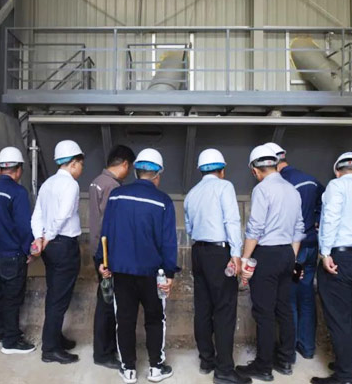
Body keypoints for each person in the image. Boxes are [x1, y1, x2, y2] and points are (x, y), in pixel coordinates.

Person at [96, 148, 179, 384]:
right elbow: (168, 241)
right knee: (155, 319)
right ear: (157, 175)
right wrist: (169, 272)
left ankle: (128, 369)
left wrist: (102, 261)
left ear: (136, 172)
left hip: (121, 271)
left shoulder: (117, 196)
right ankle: (156, 368)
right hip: (153, 273)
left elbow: (106, 232)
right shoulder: (163, 202)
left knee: (124, 320)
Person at [237, 144, 305, 382]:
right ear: (275, 164)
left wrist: (245, 259)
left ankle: (263, 366)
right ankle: (285, 360)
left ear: (255, 170)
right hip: (287, 253)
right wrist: (292, 258)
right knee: (284, 308)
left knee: (264, 312)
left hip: (266, 254)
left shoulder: (261, 189)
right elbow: (299, 228)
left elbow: (255, 228)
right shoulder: (292, 190)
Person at [311, 153, 352, 384]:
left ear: (337, 171)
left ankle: (344, 376)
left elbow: (331, 218)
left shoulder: (336, 186)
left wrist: (325, 253)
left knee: (339, 318)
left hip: (338, 258)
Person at [184, 149, 250, 384]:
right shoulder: (225, 187)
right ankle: (224, 370)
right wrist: (236, 254)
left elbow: (189, 228)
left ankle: (206, 360)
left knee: (203, 307)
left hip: (198, 252)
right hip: (219, 253)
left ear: (201, 170)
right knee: (224, 309)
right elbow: (232, 220)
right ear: (222, 170)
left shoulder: (192, 193)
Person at [264, 142, 325, 360]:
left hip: (294, 250)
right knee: (306, 296)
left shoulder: (282, 184)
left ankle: (288, 353)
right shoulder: (310, 179)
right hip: (311, 247)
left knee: (288, 298)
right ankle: (307, 348)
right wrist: (316, 221)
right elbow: (324, 203)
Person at [31, 139, 84, 364]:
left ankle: (55, 337)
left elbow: (37, 215)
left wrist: (39, 237)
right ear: (73, 163)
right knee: (59, 298)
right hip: (63, 245)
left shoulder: (47, 183)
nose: (81, 169)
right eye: (80, 164)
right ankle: (50, 349)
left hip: (50, 246)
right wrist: (49, 236)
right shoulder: (71, 185)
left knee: (55, 293)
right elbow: (63, 216)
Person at [0, 147, 35, 355]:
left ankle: (0, 334)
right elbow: (24, 226)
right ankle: (11, 341)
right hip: (12, 255)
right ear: (19, 169)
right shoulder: (18, 192)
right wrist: (28, 249)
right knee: (13, 298)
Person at [89, 145, 136, 370]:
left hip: (98, 250)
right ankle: (104, 352)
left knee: (104, 300)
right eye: (130, 167)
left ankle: (104, 349)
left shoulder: (97, 181)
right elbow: (112, 225)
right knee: (108, 304)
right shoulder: (113, 187)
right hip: (108, 254)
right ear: (125, 164)